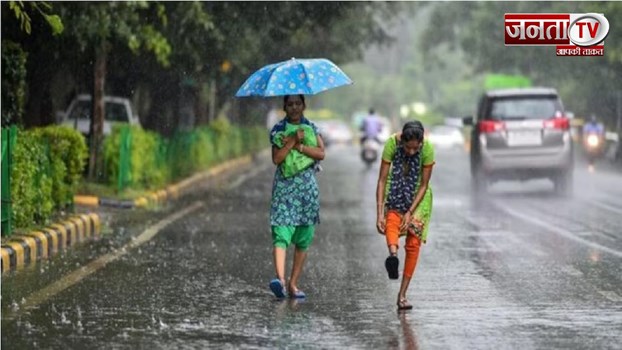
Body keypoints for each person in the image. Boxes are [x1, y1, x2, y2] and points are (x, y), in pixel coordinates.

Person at [268, 94, 325, 299]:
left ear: (304, 105)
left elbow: (321, 153)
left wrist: (301, 146)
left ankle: (293, 284)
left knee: (303, 237)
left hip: (307, 190)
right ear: (284, 107)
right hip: (284, 188)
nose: (294, 108)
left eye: (297, 104)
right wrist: (292, 140)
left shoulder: (312, 128)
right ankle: (280, 281)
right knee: (281, 231)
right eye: (290, 104)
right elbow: (277, 158)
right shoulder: (278, 130)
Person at [375, 120, 435, 310]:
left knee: (413, 243)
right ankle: (393, 256)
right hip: (396, 188)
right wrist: (379, 213)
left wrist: (410, 212)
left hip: (419, 196)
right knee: (391, 221)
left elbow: (424, 184)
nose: (410, 152)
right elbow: (382, 179)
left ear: (421, 143)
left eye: (414, 148)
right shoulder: (391, 144)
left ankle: (402, 295)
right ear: (402, 141)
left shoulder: (427, 149)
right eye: (407, 148)